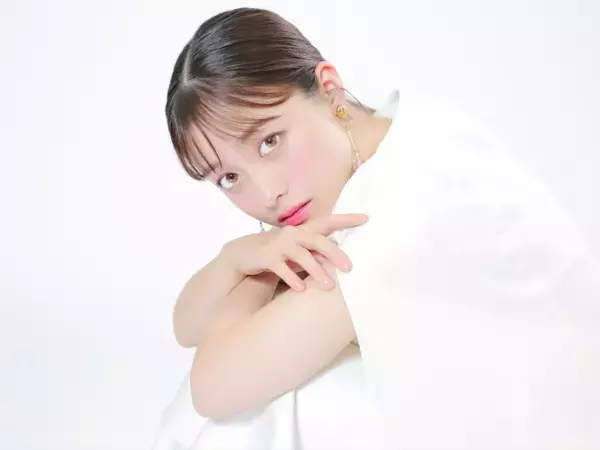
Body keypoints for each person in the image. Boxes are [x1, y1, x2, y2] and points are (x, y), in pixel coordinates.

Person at [153, 7, 600, 450]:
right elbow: (187, 325)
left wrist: (261, 269)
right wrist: (239, 255)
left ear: (329, 87)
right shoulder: (394, 129)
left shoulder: (392, 219)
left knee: (265, 411)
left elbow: (212, 390)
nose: (268, 194)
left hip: (545, 422)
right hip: (518, 392)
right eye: (229, 178)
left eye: (270, 142)